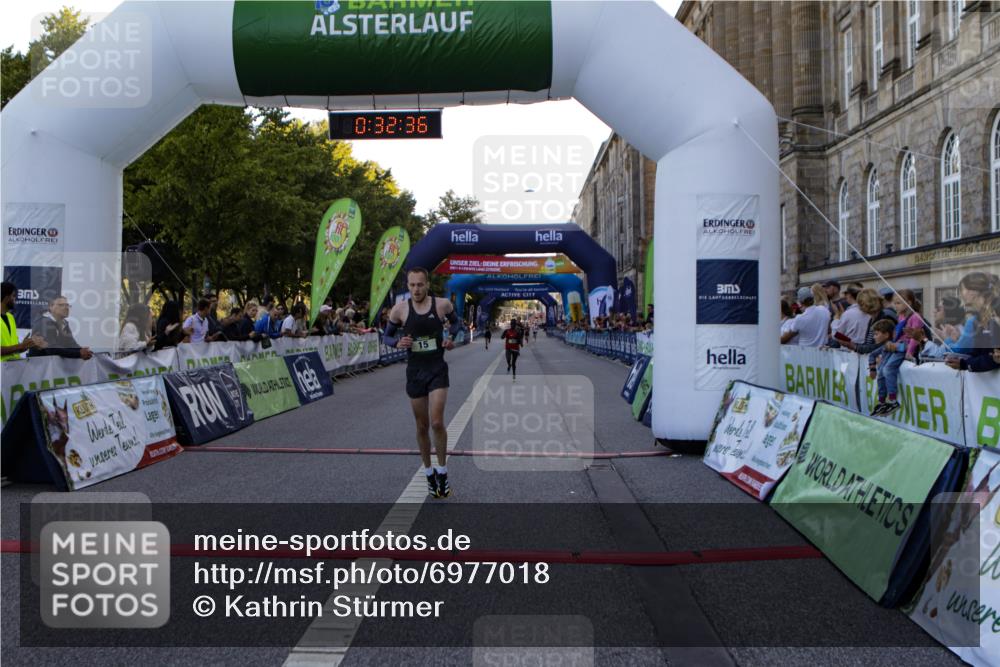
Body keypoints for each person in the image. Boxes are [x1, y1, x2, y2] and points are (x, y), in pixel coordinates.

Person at [382, 267, 463, 499]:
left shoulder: (442, 305)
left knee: (437, 422)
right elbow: (386, 336)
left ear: (427, 284)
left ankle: (443, 471)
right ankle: (429, 473)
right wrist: (397, 342)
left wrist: (451, 338)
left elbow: (457, 325)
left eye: (420, 284)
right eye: (412, 285)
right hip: (415, 372)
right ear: (407, 286)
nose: (416, 289)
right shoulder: (399, 310)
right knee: (422, 426)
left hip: (437, 369)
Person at [871, 289, 926, 416]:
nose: (895, 306)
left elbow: (914, 336)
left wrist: (910, 352)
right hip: (897, 346)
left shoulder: (915, 317)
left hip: (904, 348)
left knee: (888, 369)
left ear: (909, 303)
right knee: (881, 370)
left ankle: (893, 399)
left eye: (898, 303)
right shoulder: (901, 316)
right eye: (894, 303)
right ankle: (881, 400)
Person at [28, 295, 93, 359]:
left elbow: (71, 344)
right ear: (51, 306)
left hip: (52, 366)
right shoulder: (43, 322)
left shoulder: (64, 323)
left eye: (67, 305)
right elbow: (52, 349)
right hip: (39, 366)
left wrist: (84, 351)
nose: (66, 308)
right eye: (61, 305)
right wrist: (79, 353)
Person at [1, 281, 46, 360]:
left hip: (12, 368)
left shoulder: (10, 317)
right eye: (14, 296)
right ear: (6, 298)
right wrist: (21, 346)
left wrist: (26, 345)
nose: (15, 299)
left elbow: (13, 348)